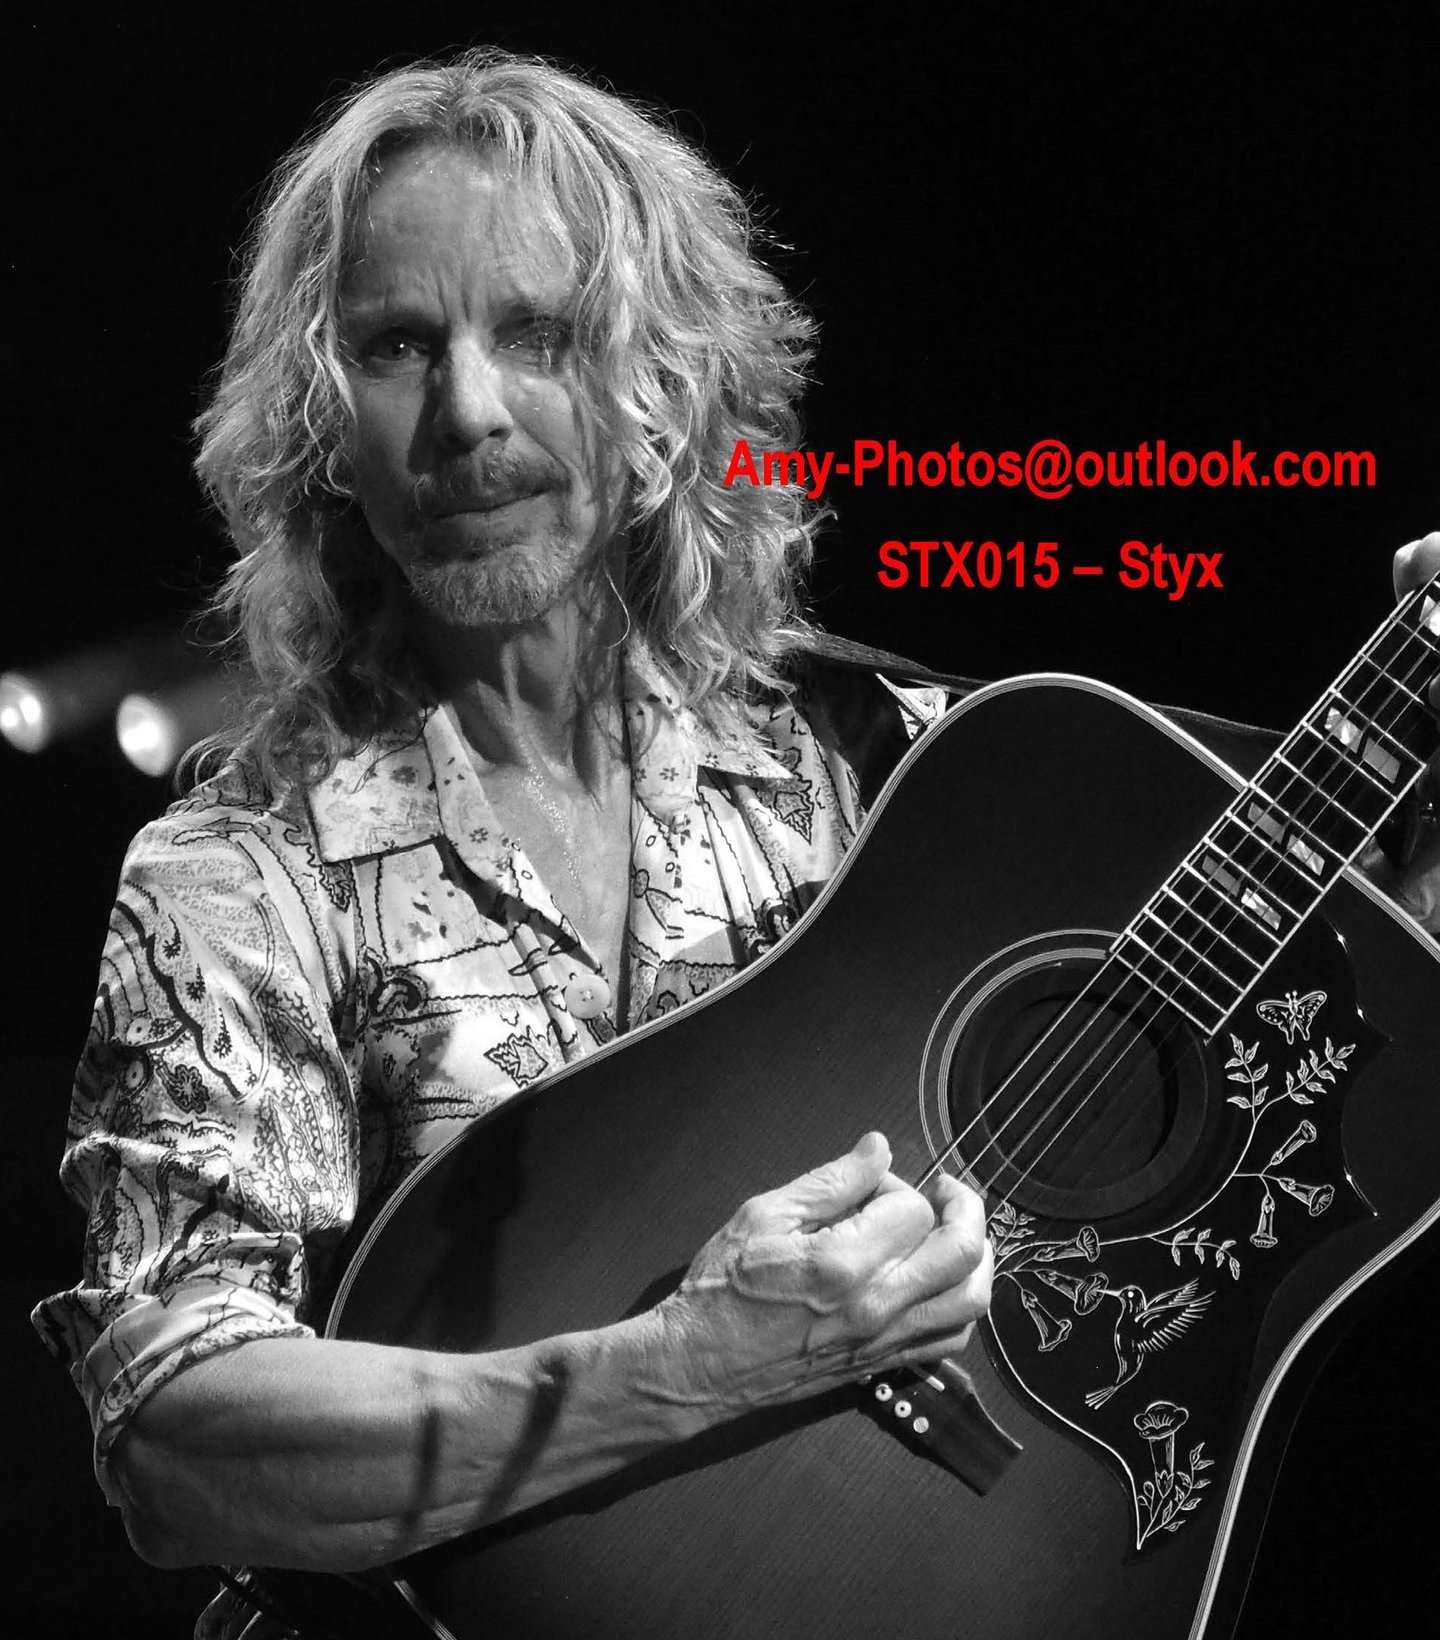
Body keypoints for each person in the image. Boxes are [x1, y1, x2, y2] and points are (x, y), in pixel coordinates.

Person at [30, 45, 1440, 1640]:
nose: (469, 411)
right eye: (398, 345)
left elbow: (1317, 1031)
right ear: (324, 432)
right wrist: (688, 1369)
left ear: (661, 392)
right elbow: (174, 1443)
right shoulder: (235, 875)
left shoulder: (898, 759)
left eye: (538, 333)